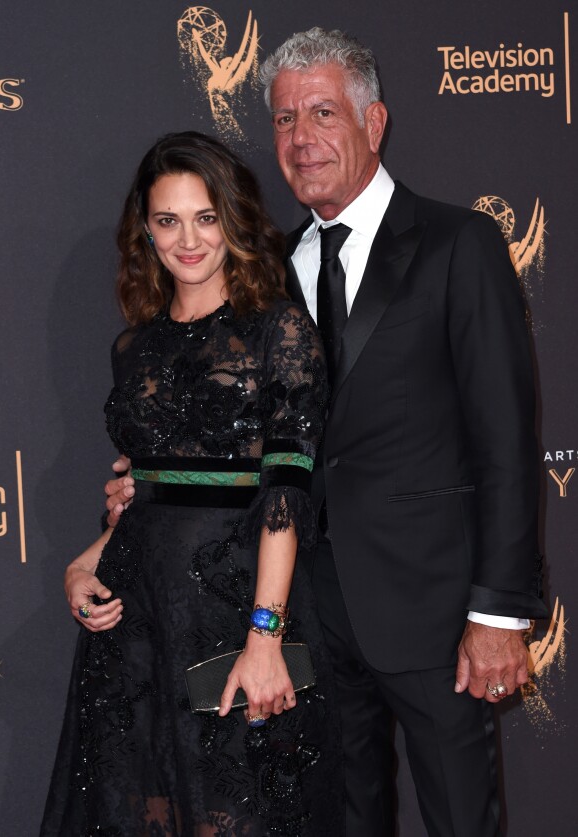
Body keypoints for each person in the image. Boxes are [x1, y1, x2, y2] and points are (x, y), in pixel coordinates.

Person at [105, 28, 549, 837]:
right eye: (282, 119)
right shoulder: (262, 268)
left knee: (461, 818)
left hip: (435, 610)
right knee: (338, 820)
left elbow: (508, 441)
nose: (301, 138)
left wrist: (500, 612)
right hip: (303, 609)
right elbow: (252, 431)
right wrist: (150, 483)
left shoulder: (458, 244)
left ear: (374, 122)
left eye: (322, 113)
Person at [41, 131, 343, 837]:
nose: (188, 239)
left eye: (205, 217)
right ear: (145, 228)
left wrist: (264, 635)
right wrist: (86, 563)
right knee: (137, 809)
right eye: (168, 219)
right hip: (138, 618)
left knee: (237, 811)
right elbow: (149, 488)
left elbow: (285, 494)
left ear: (232, 219)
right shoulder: (134, 346)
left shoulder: (280, 330)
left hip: (233, 606)